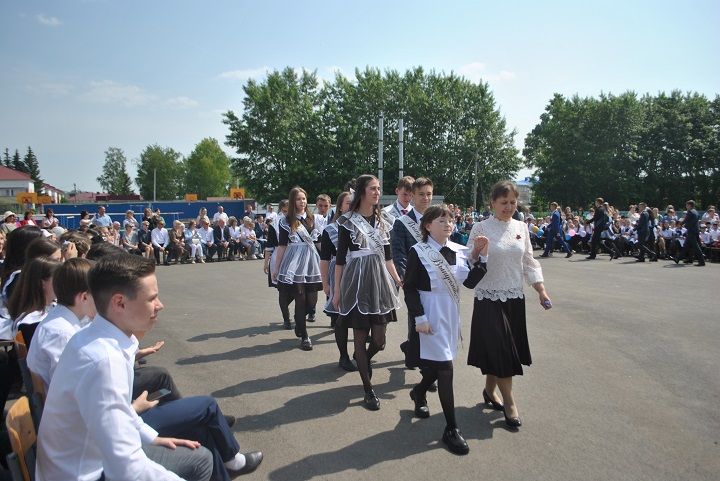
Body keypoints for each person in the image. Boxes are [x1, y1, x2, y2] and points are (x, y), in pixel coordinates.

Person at [35, 254, 263, 481]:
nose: (160, 305)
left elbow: (120, 414)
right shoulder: (104, 361)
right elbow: (126, 469)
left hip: (86, 463)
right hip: (89, 473)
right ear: (119, 303)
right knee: (201, 460)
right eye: (151, 298)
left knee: (198, 435)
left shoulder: (96, 339)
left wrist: (152, 437)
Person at [466, 180, 552, 429]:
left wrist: (541, 290)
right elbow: (467, 264)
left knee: (499, 349)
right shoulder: (480, 227)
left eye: (512, 202)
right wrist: (476, 252)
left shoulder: (521, 227)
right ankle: (510, 402)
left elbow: (528, 261)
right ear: (492, 203)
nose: (509, 207)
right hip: (488, 298)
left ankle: (488, 390)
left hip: (514, 297)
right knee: (503, 349)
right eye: (503, 202)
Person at [403, 205, 488, 455]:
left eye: (450, 220)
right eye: (442, 220)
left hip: (450, 315)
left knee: (441, 364)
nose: (448, 224)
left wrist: (482, 257)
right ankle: (451, 428)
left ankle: (418, 392)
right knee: (446, 369)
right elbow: (409, 288)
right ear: (428, 226)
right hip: (429, 314)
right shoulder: (418, 251)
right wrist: (419, 317)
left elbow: (470, 283)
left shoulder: (458, 251)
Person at [333, 174, 402, 410]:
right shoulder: (347, 221)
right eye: (373, 188)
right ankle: (368, 389)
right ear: (362, 191)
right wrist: (336, 291)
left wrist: (398, 280)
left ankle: (363, 359)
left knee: (380, 341)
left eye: (379, 188)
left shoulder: (383, 220)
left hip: (380, 282)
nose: (377, 192)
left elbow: (389, 258)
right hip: (357, 281)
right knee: (360, 336)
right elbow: (340, 260)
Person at [390, 177, 438, 390]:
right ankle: (427, 371)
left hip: (436, 283)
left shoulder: (437, 219)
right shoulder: (401, 223)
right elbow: (398, 252)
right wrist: (403, 277)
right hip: (414, 282)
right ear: (412, 195)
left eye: (429, 194)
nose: (426, 198)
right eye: (421, 194)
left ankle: (411, 350)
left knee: (429, 324)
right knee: (418, 322)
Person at [273, 187, 322, 351]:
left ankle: (299, 321)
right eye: (299, 199)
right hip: (294, 262)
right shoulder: (286, 221)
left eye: (304, 198)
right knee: (300, 298)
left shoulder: (311, 218)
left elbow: (318, 242)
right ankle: (305, 336)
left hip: (311, 261)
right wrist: (276, 267)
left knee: (312, 300)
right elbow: (281, 246)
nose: (302, 202)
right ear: (293, 201)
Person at [319, 191, 356, 371]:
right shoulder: (330, 230)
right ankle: (344, 355)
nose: (351, 206)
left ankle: (360, 353)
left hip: (361, 273)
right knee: (342, 317)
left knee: (361, 316)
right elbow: (324, 259)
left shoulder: (364, 226)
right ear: (340, 206)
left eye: (354, 203)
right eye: (348, 203)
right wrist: (325, 283)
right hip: (339, 275)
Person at [264, 200, 293, 329]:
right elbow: (269, 245)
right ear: (281, 210)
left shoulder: (297, 221)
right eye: (285, 210)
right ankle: (286, 318)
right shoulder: (275, 224)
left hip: (294, 256)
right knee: (282, 290)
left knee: (297, 289)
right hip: (279, 257)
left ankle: (297, 314)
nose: (287, 212)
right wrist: (266, 263)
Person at [675, 200, 705, 266]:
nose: (686, 206)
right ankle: (681, 259)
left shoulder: (690, 212)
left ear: (689, 205)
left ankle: (702, 261)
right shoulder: (696, 212)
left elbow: (686, 220)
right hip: (695, 230)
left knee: (696, 247)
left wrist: (681, 224)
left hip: (691, 231)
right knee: (686, 246)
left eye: (686, 205)